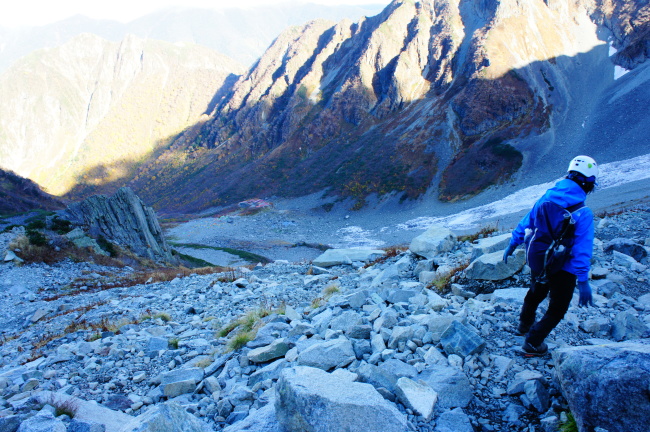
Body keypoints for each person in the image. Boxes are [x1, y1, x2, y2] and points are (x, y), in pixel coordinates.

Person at [503, 155, 598, 355]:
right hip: (564, 268)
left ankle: (524, 325)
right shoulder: (583, 212)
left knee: (535, 293)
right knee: (557, 308)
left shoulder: (546, 198)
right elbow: (582, 249)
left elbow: (527, 221)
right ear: (589, 183)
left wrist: (513, 242)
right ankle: (533, 343)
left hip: (539, 258)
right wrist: (582, 280)